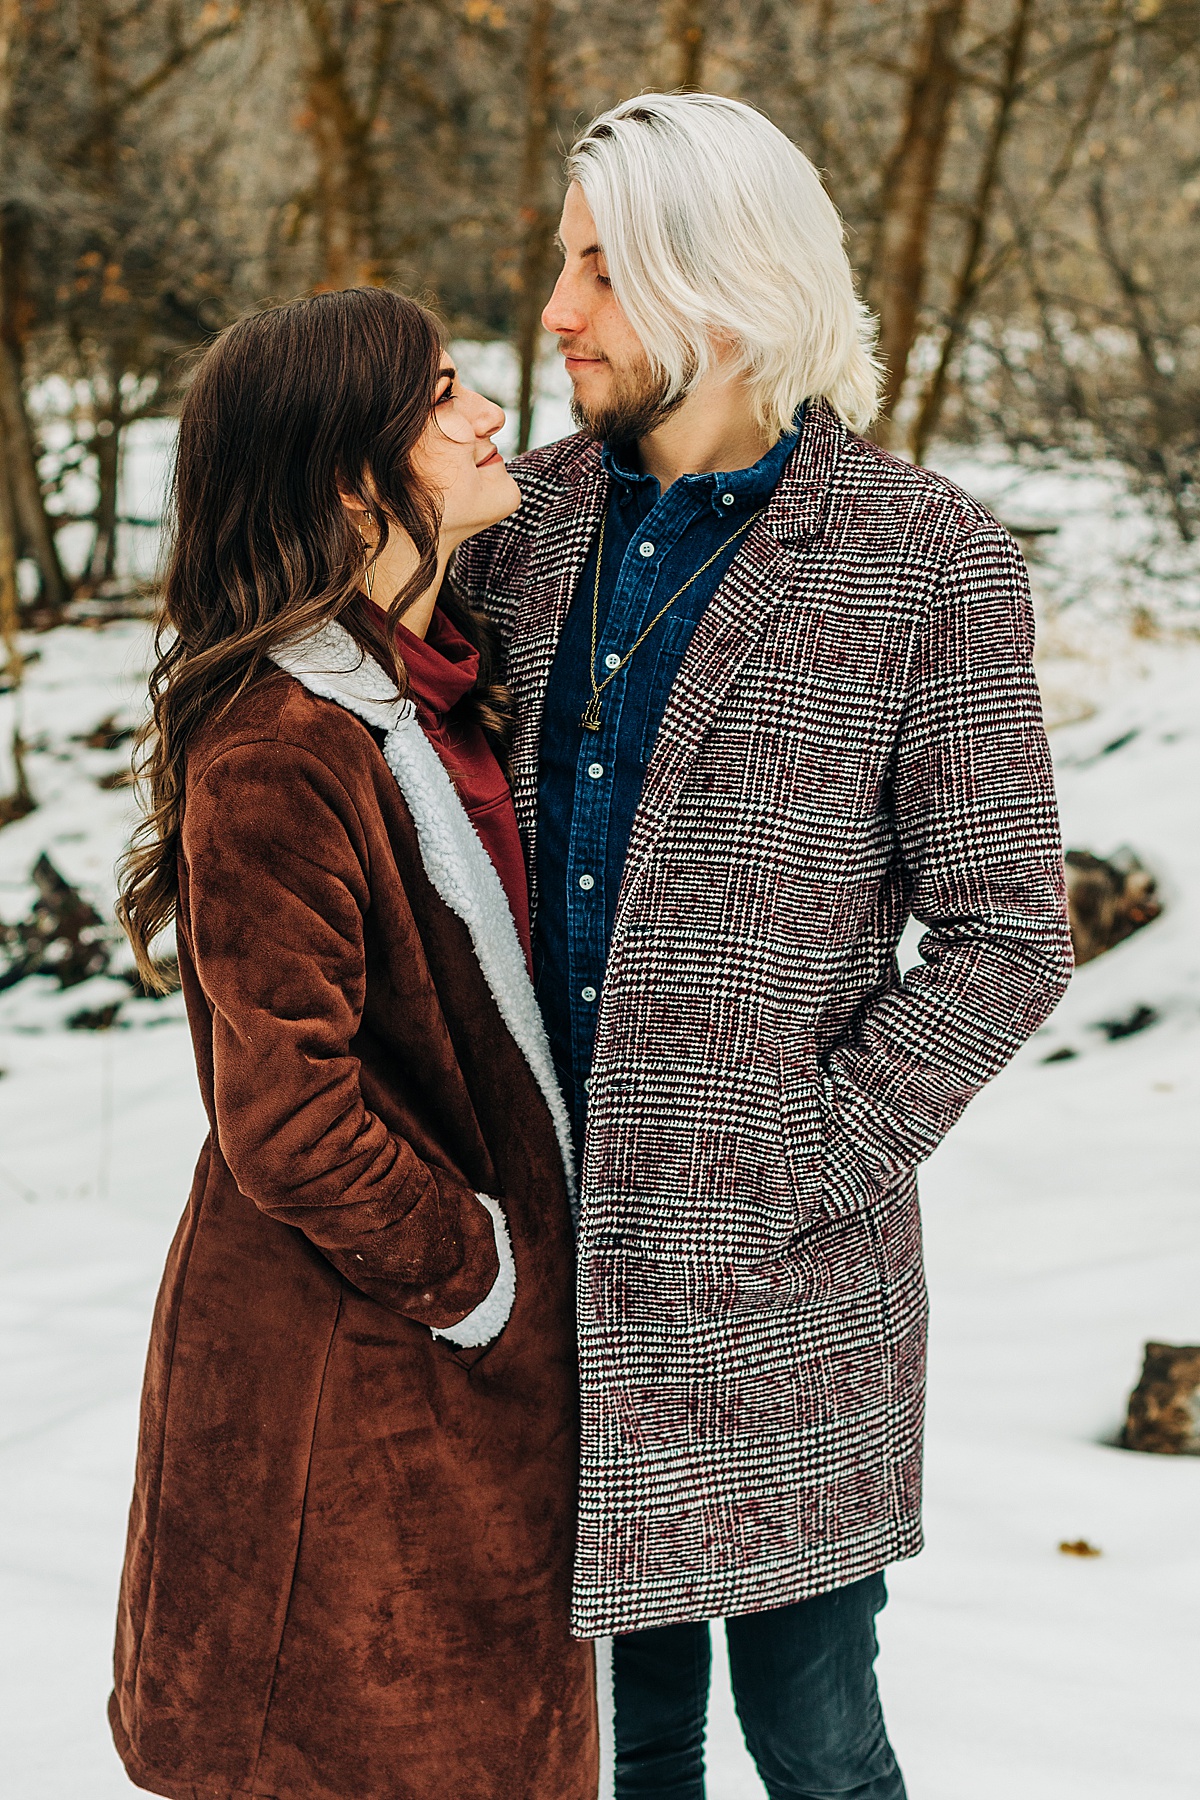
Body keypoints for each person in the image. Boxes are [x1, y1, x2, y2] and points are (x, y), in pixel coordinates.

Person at [453, 93, 1074, 1800]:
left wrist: (808, 1156)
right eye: (559, 264)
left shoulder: (920, 557)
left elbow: (1009, 931)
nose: (557, 311)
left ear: (719, 285)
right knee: (611, 1750)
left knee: (816, 1745)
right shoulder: (523, 531)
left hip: (784, 1290)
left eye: (597, 268)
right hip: (548, 1277)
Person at [109, 288, 597, 1800]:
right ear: (344, 475)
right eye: (443, 395)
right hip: (353, 1396)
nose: (489, 414)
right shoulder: (280, 749)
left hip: (456, 1399)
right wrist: (487, 1282)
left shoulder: (439, 684)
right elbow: (290, 1117)